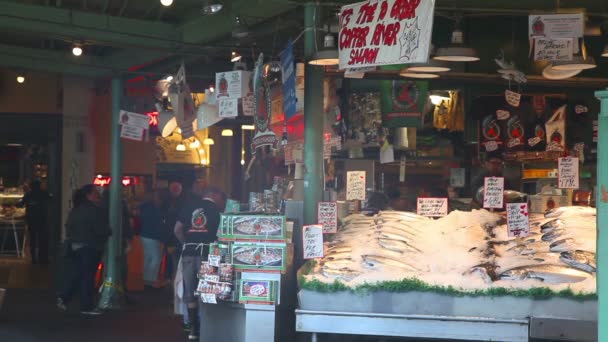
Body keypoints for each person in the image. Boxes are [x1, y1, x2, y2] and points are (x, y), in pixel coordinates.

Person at [174, 186, 226, 340]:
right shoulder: (217, 211)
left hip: (189, 254)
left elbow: (177, 229)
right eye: (222, 199)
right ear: (215, 195)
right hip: (208, 255)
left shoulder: (189, 206)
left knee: (190, 292)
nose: (223, 203)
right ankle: (207, 329)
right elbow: (222, 235)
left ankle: (193, 330)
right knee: (207, 291)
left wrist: (187, 243)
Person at [57, 184, 111, 315]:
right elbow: (101, 229)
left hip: (76, 245)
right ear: (89, 195)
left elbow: (68, 226)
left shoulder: (76, 209)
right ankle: (85, 306)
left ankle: (65, 297)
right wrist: (108, 232)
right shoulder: (94, 210)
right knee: (87, 276)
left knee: (79, 274)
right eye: (95, 192)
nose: (98, 194)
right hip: (90, 246)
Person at [139, 190, 167, 287]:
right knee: (156, 258)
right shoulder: (155, 209)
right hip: (152, 236)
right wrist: (162, 238)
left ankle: (146, 279)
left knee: (148, 258)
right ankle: (151, 280)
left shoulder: (145, 206)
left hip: (144, 234)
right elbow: (158, 224)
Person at [21, 180, 50, 264]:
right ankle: (42, 257)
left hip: (31, 219)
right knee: (42, 238)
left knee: (33, 238)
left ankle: (33, 258)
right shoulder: (43, 193)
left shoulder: (28, 194)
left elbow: (21, 203)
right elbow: (50, 199)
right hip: (42, 218)